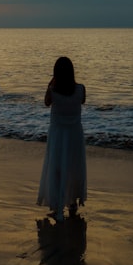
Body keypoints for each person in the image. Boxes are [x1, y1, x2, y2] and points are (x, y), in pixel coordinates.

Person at [37, 57, 87, 222]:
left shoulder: (53, 91)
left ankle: (58, 205)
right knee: (74, 166)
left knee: (57, 168)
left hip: (58, 133)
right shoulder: (80, 89)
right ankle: (73, 202)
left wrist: (51, 82)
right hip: (74, 134)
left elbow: (46, 103)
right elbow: (82, 100)